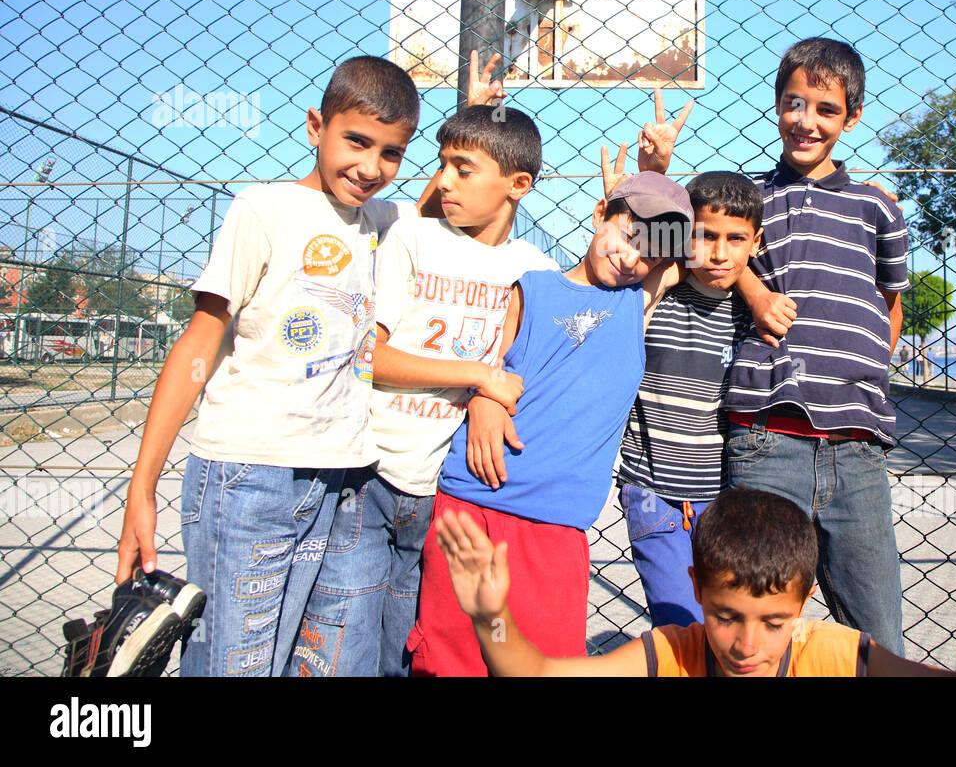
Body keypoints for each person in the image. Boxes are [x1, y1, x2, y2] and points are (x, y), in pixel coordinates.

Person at [112, 52, 506, 677]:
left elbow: (438, 201)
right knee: (237, 661)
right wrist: (142, 487)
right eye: (356, 141)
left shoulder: (383, 221)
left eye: (391, 153)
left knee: (318, 659)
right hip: (250, 473)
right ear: (314, 127)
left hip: (342, 480)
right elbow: (199, 344)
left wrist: (473, 114)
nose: (370, 167)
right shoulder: (263, 209)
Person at [289, 104, 559, 677]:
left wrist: (490, 394)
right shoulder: (413, 237)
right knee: (344, 636)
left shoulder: (534, 271)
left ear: (518, 185)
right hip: (370, 472)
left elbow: (525, 372)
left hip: (446, 487)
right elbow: (371, 357)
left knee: (411, 642)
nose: (445, 180)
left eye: (463, 168)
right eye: (442, 165)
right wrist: (475, 376)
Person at [408, 160, 694, 677]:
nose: (631, 258)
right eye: (626, 235)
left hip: (557, 528)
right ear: (599, 213)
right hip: (473, 504)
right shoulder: (532, 285)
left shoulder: (637, 301)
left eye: (649, 253)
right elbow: (489, 367)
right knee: (450, 661)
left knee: (544, 663)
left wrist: (655, 174)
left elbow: (711, 254)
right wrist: (485, 398)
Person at [434, 486, 956, 676]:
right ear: (696, 589)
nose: (747, 645)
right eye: (727, 616)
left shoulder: (837, 655)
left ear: (805, 603)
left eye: (773, 622)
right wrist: (491, 614)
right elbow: (535, 674)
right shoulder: (671, 653)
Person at [723, 37, 911, 653]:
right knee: (760, 626)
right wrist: (753, 290)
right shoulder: (748, 196)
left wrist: (872, 363)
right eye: (794, 103)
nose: (806, 121)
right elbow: (703, 247)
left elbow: (891, 302)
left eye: (825, 109)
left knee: (876, 636)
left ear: (851, 118)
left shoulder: (876, 206)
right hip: (766, 436)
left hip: (857, 445)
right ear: (777, 104)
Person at [616, 170, 762, 627]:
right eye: (704, 236)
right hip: (652, 490)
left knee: (730, 620)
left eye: (735, 238)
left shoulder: (754, 313)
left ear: (755, 242)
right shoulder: (657, 292)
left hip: (724, 497)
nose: (719, 253)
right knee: (681, 622)